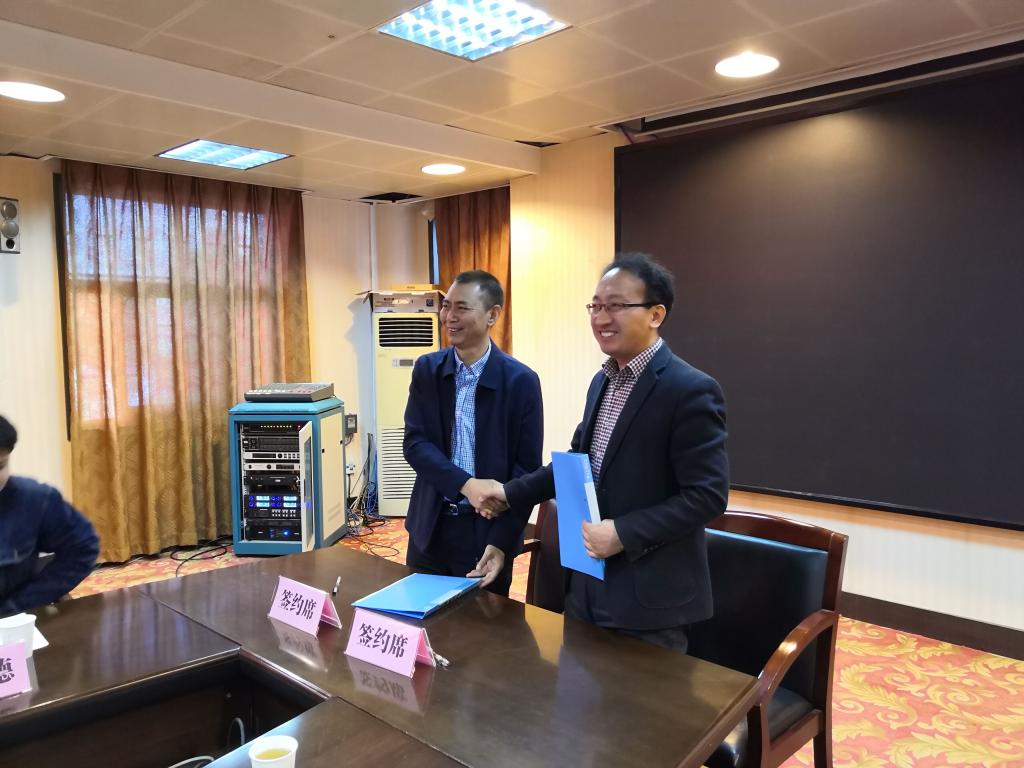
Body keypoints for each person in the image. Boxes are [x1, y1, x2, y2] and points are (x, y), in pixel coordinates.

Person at [475, 253, 728, 651]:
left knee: (640, 695)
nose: (601, 318)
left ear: (656, 314)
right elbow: (577, 464)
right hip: (587, 585)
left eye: (616, 306)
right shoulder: (602, 380)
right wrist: (509, 493)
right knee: (576, 686)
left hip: (649, 601)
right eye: (595, 306)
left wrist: (623, 533)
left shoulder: (690, 389)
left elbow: (707, 495)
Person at [402, 270, 543, 595]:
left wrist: (502, 541)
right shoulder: (428, 370)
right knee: (420, 617)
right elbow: (415, 444)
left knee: (482, 623)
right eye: (446, 306)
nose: (449, 316)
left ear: (492, 315)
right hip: (430, 527)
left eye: (462, 308)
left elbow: (526, 471)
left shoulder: (520, 381)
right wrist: (467, 485)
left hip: (488, 533)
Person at [0, 415, 100, 616]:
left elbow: (83, 547)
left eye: (0, 466)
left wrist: (21, 604)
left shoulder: (35, 499)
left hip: (14, 619)